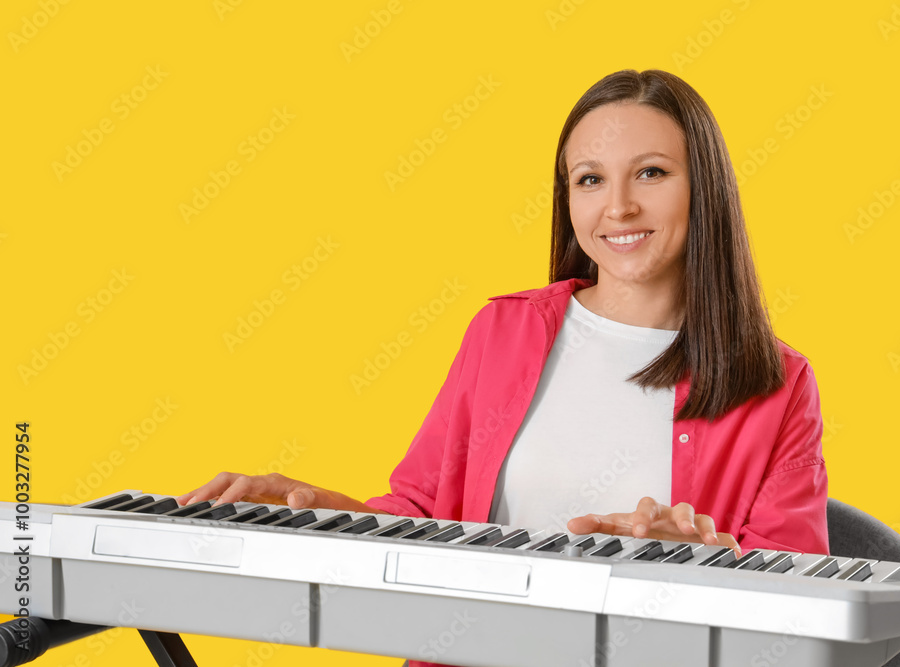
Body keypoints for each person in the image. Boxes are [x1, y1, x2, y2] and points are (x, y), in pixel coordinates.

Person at [180, 67, 827, 576]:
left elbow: (802, 596)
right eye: (590, 180)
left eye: (651, 173)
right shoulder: (503, 332)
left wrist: (703, 563)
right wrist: (318, 513)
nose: (619, 207)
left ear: (703, 187)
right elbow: (424, 517)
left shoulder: (779, 383)